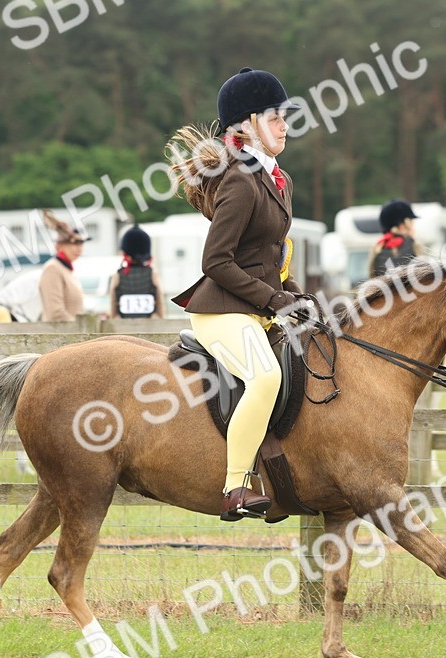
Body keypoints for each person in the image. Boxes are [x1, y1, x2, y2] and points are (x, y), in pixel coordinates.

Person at [167, 67, 304, 522]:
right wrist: (273, 301)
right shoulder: (242, 181)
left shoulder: (277, 179)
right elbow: (216, 262)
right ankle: (235, 489)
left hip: (257, 307)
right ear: (246, 125)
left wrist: (296, 297)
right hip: (222, 311)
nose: (285, 124)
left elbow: (270, 255)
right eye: (275, 116)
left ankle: (285, 477)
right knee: (265, 378)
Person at [38, 210, 88, 323]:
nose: (79, 248)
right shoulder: (52, 269)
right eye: (74, 243)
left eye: (81, 243)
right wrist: (80, 329)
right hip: (62, 336)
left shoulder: (67, 270)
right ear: (59, 246)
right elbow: (55, 313)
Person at [107, 225, 165, 319]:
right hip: (150, 325)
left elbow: (113, 307)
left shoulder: (118, 275)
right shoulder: (152, 273)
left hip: (123, 326)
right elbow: (160, 303)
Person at [369, 199, 418, 279]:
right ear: (402, 225)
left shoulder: (377, 248)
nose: (413, 225)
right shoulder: (413, 244)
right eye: (411, 221)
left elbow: (371, 279)